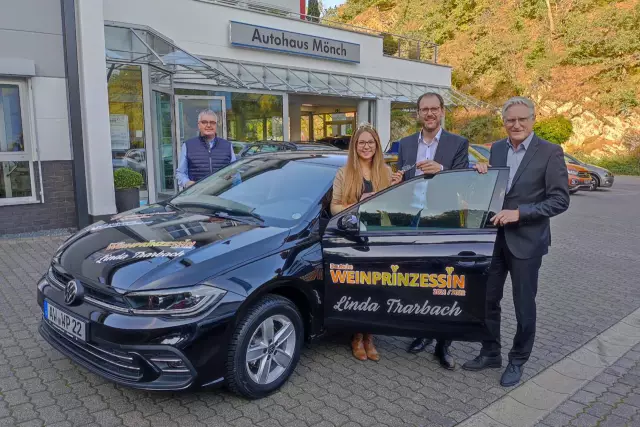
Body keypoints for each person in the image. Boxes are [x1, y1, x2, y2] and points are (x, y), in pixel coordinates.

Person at [465, 96, 569, 387]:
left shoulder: (550, 152)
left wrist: (519, 213)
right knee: (486, 300)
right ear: (504, 122)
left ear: (533, 119)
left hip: (527, 241)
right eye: (511, 120)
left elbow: (560, 200)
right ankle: (490, 352)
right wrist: (482, 176)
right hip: (494, 240)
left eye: (522, 119)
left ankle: (518, 360)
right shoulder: (496, 149)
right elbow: (496, 189)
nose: (516, 124)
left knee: (524, 306)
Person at [393, 92, 470, 370]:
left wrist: (443, 169)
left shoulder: (457, 143)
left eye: (434, 109)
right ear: (417, 114)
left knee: (446, 284)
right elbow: (402, 178)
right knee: (418, 282)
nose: (429, 114)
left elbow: (464, 182)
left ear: (442, 111)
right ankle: (422, 332)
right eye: (424, 109)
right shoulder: (405, 144)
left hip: (443, 221)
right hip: (412, 221)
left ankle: (443, 344)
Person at [331, 124, 402, 361]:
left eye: (370, 142)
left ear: (377, 145)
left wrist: (395, 188)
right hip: (354, 237)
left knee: (377, 289)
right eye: (361, 142)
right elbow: (334, 207)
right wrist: (359, 204)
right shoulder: (344, 173)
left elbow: (394, 208)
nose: (366, 146)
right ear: (354, 146)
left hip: (379, 237)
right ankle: (356, 337)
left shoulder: (385, 170)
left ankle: (370, 337)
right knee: (359, 288)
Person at [175, 109, 236, 188]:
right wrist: (187, 183)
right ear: (199, 125)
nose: (208, 125)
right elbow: (180, 173)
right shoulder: (188, 145)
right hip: (197, 195)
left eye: (212, 122)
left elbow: (234, 171)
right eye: (204, 122)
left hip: (222, 194)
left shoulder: (227, 146)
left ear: (216, 125)